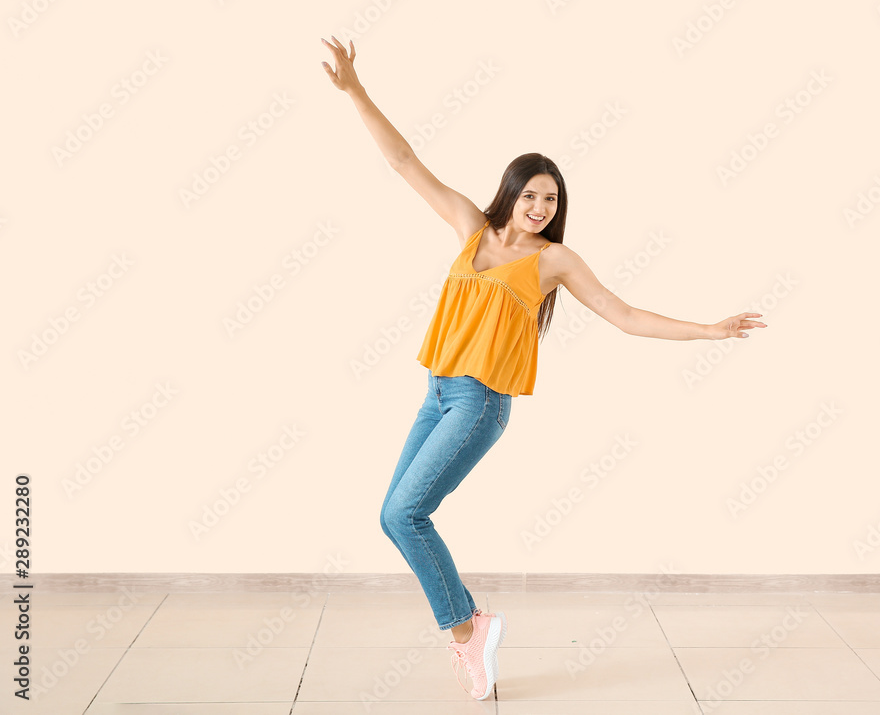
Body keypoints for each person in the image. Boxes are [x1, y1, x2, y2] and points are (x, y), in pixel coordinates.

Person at [320, 35, 766, 700]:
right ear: (510, 193)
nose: (539, 208)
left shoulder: (553, 262)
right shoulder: (473, 228)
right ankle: (470, 626)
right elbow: (405, 161)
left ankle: (468, 631)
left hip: (479, 404)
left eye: (551, 201)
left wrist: (707, 330)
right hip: (436, 393)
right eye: (531, 195)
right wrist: (356, 91)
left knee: (407, 513)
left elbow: (624, 314)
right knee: (395, 515)